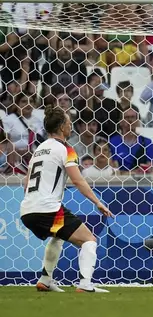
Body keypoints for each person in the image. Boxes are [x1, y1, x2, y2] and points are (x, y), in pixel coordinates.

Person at [20, 106, 114, 293]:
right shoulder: (66, 149)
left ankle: (45, 280)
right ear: (62, 127)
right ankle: (85, 284)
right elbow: (78, 180)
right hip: (48, 209)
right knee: (89, 240)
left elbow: (26, 182)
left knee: (58, 236)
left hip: (27, 210)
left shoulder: (39, 150)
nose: (71, 126)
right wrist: (98, 202)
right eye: (69, 123)